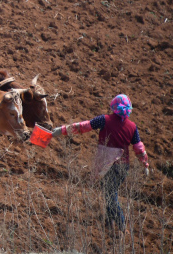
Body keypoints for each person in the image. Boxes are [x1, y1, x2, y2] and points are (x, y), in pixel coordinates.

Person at [52, 94, 150, 232]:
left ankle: (121, 225)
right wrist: (145, 164)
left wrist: (62, 130)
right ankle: (109, 223)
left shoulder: (104, 120)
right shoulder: (132, 127)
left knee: (110, 195)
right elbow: (138, 147)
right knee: (108, 192)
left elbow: (83, 126)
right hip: (123, 166)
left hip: (108, 164)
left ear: (113, 107)